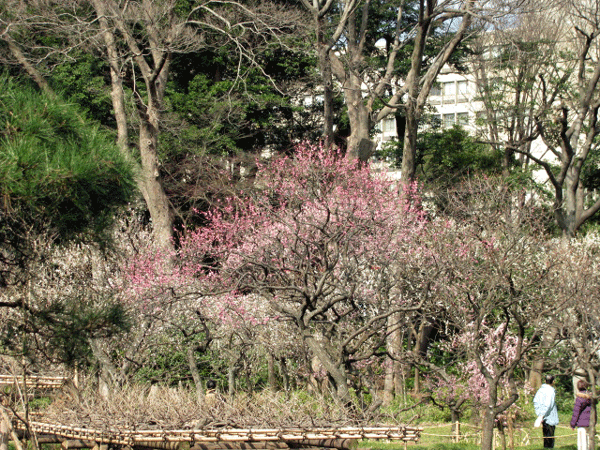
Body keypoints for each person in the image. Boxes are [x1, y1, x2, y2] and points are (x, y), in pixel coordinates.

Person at [533, 375, 559, 448]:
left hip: (542, 416)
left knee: (546, 436)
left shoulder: (540, 390)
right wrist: (541, 415)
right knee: (549, 438)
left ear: (545, 381)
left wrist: (539, 413)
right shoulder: (550, 391)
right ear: (553, 381)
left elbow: (535, 402)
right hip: (549, 417)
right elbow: (548, 405)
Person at [570, 379, 591, 450]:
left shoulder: (579, 399)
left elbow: (576, 412)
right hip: (590, 423)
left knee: (581, 444)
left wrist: (573, 424)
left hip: (581, 424)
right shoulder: (591, 398)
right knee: (587, 442)